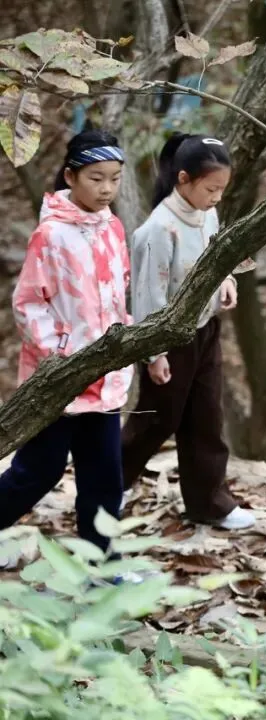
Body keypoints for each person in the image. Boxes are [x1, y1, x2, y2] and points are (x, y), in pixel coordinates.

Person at [0, 129, 132, 566]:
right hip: (57, 381)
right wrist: (60, 354)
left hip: (105, 380)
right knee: (37, 471)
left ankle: (99, 564)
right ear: (70, 176)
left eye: (114, 178)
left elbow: (119, 295)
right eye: (96, 178)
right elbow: (28, 302)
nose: (106, 188)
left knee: (104, 476)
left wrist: (124, 344)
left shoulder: (113, 227)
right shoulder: (51, 235)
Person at [122, 133, 254, 531]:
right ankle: (109, 483)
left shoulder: (207, 213)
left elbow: (215, 256)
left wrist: (227, 280)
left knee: (206, 419)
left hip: (206, 331)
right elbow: (147, 296)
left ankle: (209, 503)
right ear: (183, 179)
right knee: (157, 420)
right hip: (169, 339)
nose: (217, 197)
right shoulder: (158, 230)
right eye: (211, 188)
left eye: (221, 189)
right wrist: (154, 354)